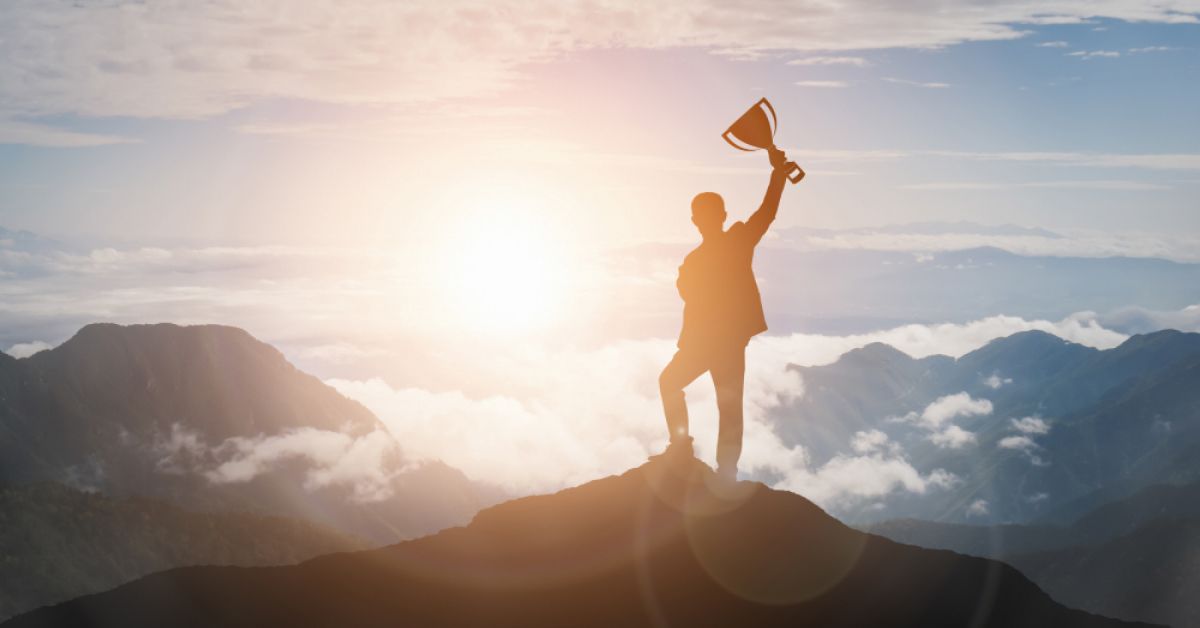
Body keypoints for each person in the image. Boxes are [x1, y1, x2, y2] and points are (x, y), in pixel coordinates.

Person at [657, 146, 794, 481]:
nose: (704, 220)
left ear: (700, 219)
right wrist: (777, 175)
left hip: (712, 342)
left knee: (674, 384)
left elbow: (766, 214)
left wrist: (778, 176)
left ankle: (685, 449)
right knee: (726, 403)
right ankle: (721, 469)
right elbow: (766, 214)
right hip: (725, 341)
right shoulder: (732, 244)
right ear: (721, 215)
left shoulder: (698, 259)